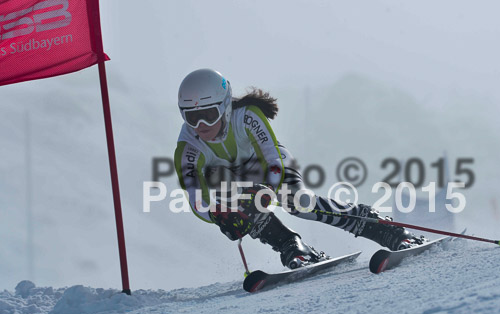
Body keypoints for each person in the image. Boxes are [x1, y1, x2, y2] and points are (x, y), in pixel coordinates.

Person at [174, 68, 424, 269]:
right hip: (235, 180)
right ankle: (291, 246)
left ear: (226, 107)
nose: (201, 125)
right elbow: (197, 200)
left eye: (209, 113)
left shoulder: (247, 115)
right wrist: (219, 216)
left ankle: (382, 228)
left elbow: (272, 157)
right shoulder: (187, 148)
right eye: (191, 117)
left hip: (272, 166)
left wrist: (267, 190)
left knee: (299, 202)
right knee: (234, 201)